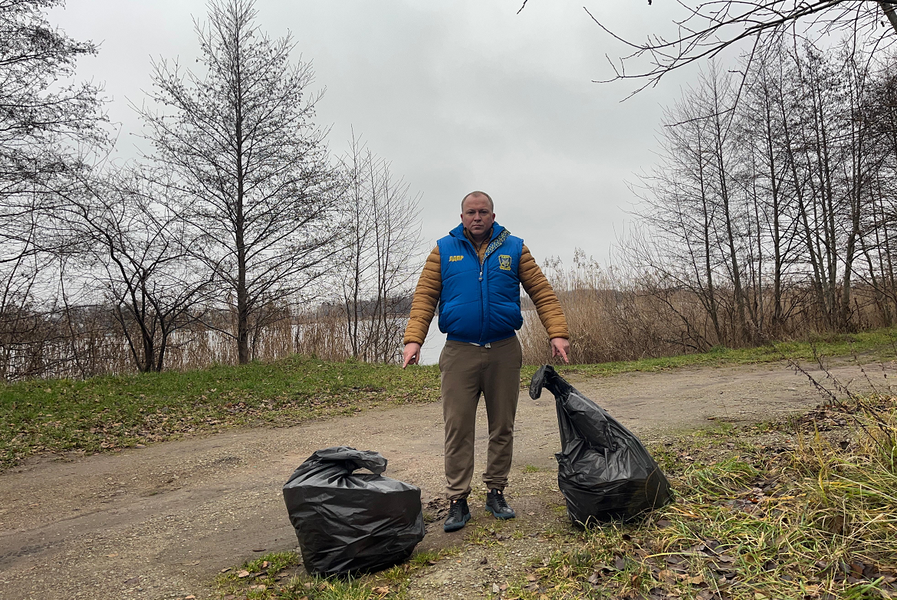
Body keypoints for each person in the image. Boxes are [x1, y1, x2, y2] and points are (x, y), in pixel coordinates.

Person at [402, 190, 570, 532]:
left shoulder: (515, 248)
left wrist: (557, 332)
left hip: (504, 350)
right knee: (458, 427)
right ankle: (458, 501)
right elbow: (424, 298)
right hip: (459, 350)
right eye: (470, 212)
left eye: (483, 212)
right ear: (461, 216)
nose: (477, 217)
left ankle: (496, 491)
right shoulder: (443, 250)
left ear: (493, 215)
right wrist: (413, 340)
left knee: (502, 426)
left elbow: (542, 291)